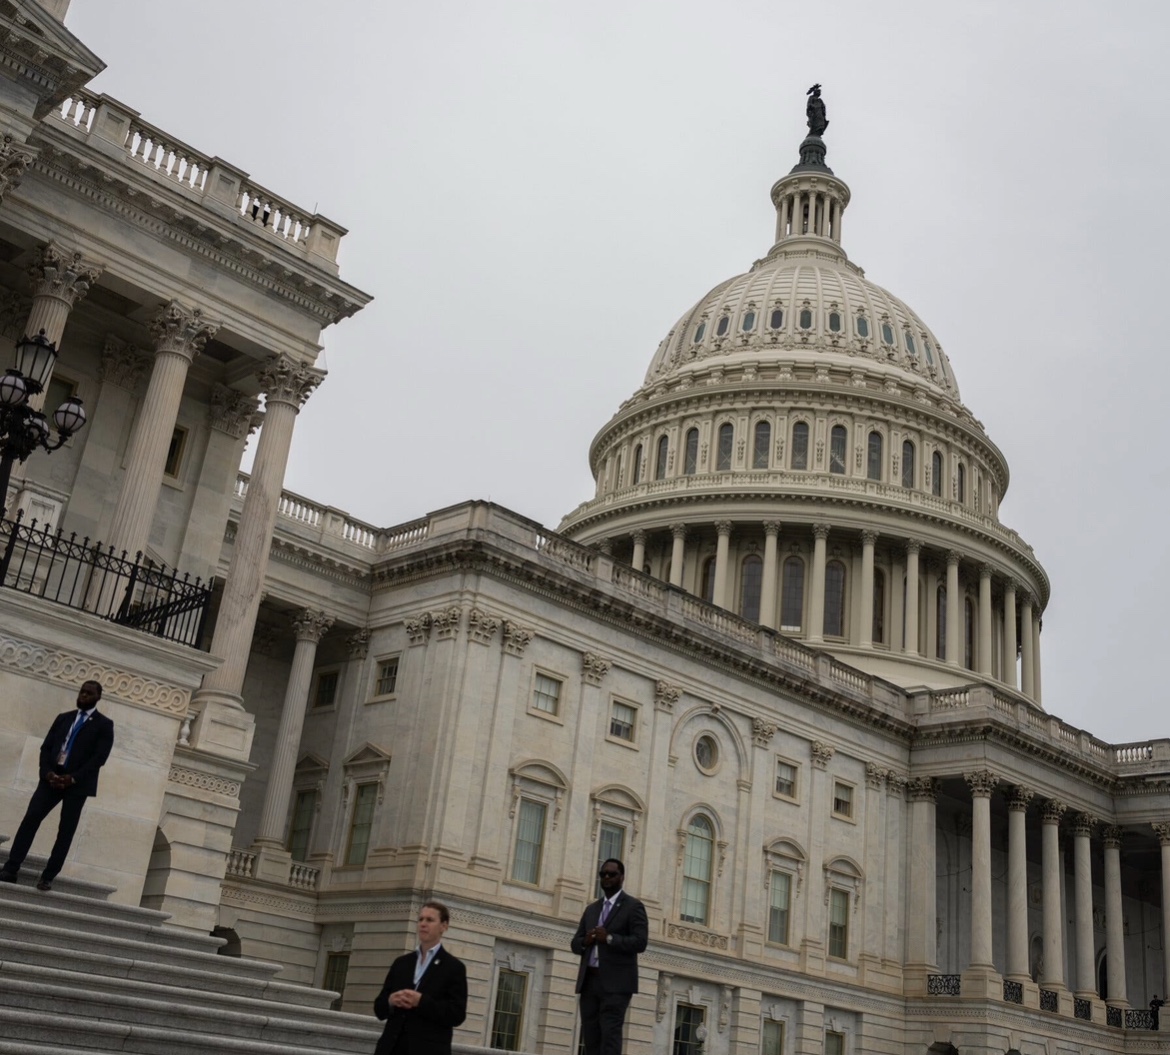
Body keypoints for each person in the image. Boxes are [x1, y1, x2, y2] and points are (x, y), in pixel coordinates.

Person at [0, 680, 114, 892]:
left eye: (89, 693)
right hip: (51, 780)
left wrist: (73, 778)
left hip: (76, 785)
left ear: (98, 697)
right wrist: (47, 773)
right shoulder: (64, 718)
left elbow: (99, 758)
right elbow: (46, 748)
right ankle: (11, 868)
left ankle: (48, 877)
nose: (84, 695)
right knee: (31, 818)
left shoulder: (104, 725)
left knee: (65, 831)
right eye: (82, 691)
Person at [571, 858, 649, 1055]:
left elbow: (640, 942)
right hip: (590, 981)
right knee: (590, 1036)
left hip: (616, 984)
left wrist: (610, 938)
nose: (606, 877)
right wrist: (585, 941)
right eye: (603, 874)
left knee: (610, 1035)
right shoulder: (592, 909)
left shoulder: (633, 906)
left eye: (611, 874)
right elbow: (575, 943)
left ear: (621, 877)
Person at [373, 900, 468, 1055]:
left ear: (444, 926)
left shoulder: (453, 967)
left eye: (430, 920)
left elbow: (457, 1015)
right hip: (391, 1049)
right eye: (421, 919)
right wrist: (391, 1000)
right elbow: (379, 1008)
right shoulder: (401, 963)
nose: (423, 924)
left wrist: (421, 1001)